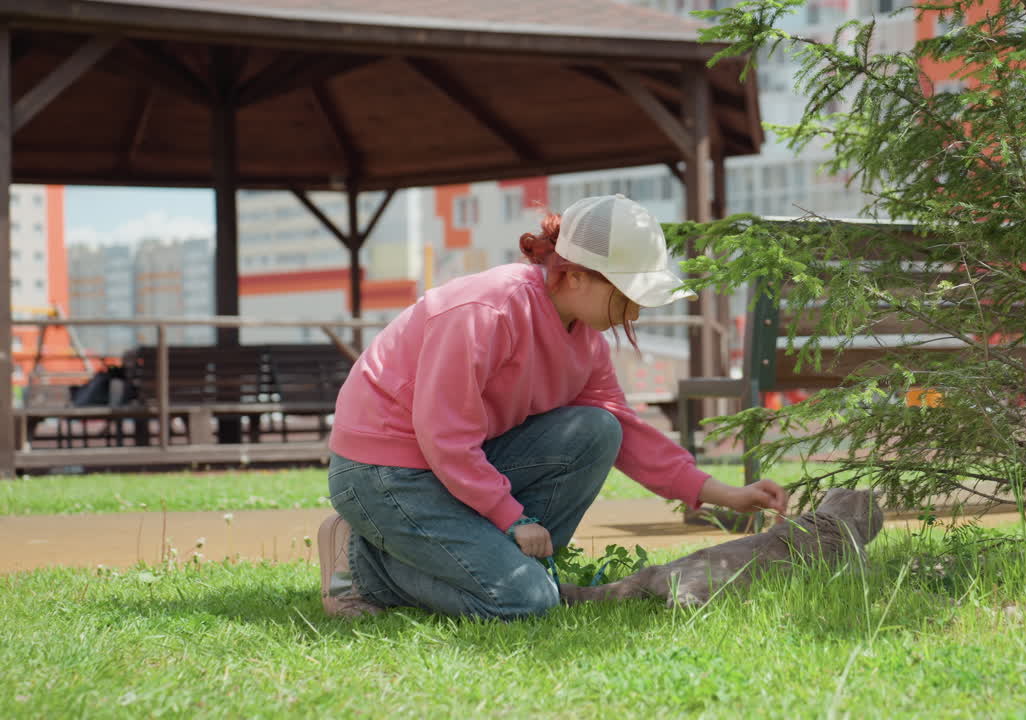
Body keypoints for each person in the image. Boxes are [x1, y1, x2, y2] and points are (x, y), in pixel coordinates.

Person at [318, 194, 789, 620]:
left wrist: (726, 494)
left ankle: (500, 568)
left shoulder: (585, 339)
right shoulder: (488, 310)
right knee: (527, 601)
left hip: (448, 466)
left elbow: (626, 432)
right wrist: (511, 518)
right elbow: (444, 433)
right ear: (573, 275)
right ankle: (364, 565)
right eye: (628, 294)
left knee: (599, 429)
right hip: (383, 471)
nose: (637, 312)